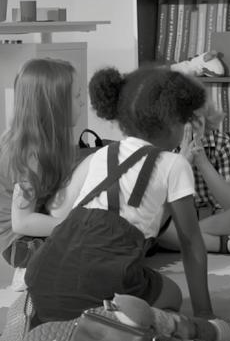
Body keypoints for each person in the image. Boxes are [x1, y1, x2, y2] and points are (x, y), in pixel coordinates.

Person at [24, 65, 215, 326]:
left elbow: (63, 213)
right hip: (106, 278)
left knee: (101, 277)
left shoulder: (101, 154)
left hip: (43, 274)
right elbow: (191, 242)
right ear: (173, 124)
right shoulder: (174, 164)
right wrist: (204, 314)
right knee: (172, 295)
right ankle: (108, 320)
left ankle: (48, 317)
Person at [0, 58, 86, 291]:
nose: (82, 102)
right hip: (22, 245)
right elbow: (22, 222)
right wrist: (75, 226)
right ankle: (29, 272)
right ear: (55, 105)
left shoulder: (42, 143)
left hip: (32, 233)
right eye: (77, 96)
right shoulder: (31, 153)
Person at [156, 95, 230, 255]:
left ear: (207, 118)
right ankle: (224, 245)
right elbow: (157, 204)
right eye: (184, 120)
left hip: (212, 219)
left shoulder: (222, 143)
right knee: (155, 227)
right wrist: (182, 163)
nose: (191, 126)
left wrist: (202, 161)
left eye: (196, 119)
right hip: (174, 220)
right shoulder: (163, 145)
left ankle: (179, 240)